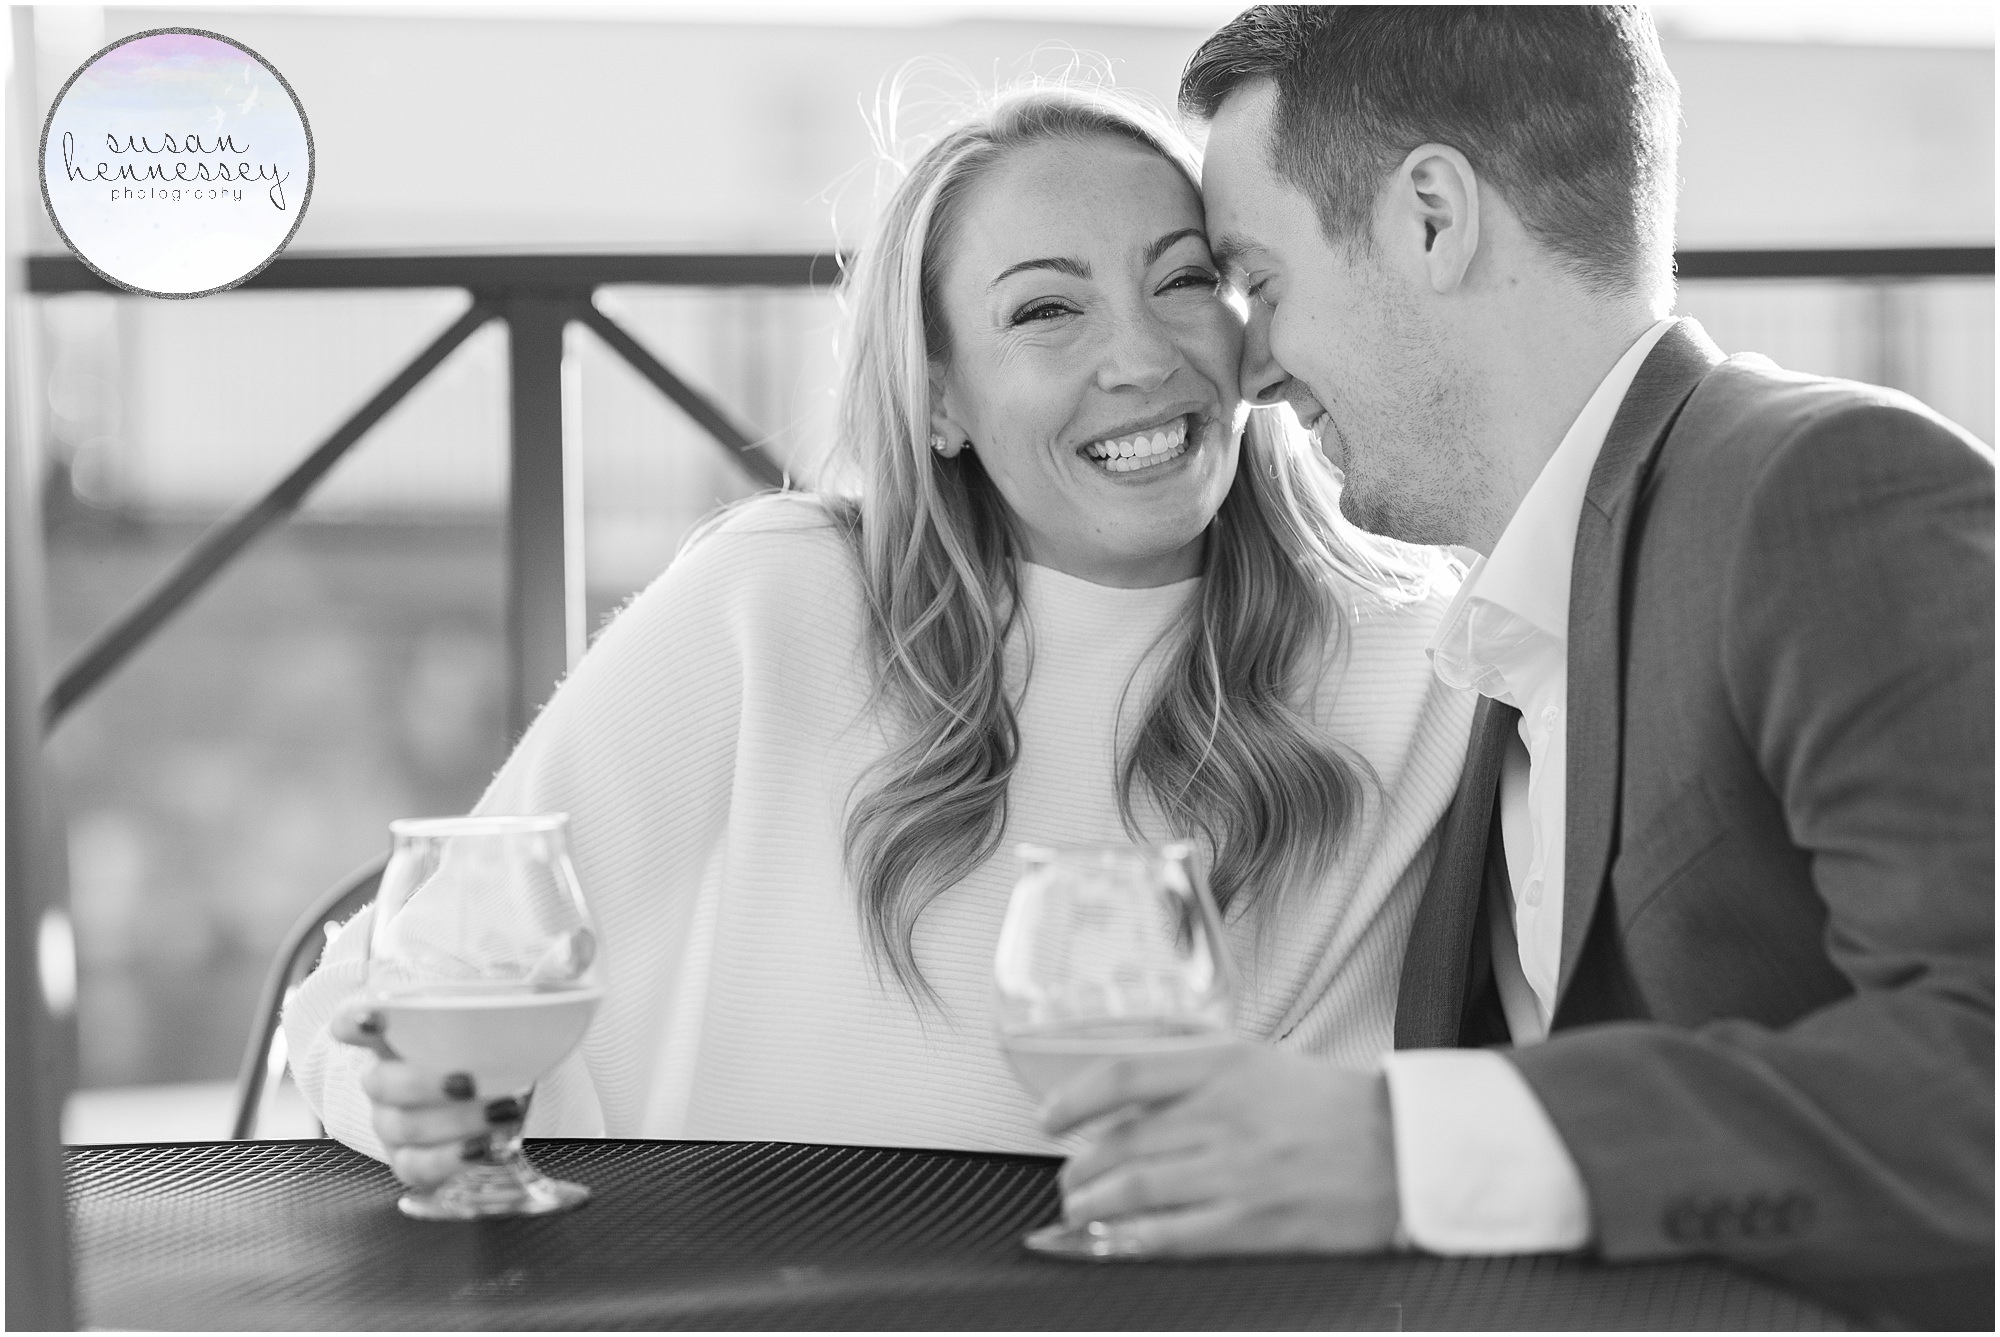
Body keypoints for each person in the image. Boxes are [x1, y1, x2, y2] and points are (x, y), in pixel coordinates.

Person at [284, 81, 1474, 1189]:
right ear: (941, 396)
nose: (1144, 357)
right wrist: (403, 1093)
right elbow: (383, 976)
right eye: (1047, 309)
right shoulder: (777, 603)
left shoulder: (1421, 662)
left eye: (1181, 280)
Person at [1039, 8, 1993, 1328]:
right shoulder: (1511, 619)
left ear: (1432, 216)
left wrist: (1403, 1147)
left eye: (1261, 280)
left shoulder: (1820, 493)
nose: (1245, 369)